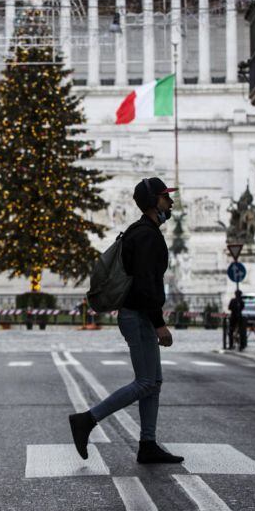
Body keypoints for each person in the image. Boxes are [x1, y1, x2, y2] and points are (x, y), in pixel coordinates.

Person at [69, 177, 184, 465]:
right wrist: (159, 323)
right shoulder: (146, 235)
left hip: (137, 314)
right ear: (153, 202)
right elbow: (146, 284)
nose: (170, 202)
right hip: (138, 315)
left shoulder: (141, 231)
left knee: (154, 382)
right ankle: (87, 420)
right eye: (165, 197)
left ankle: (148, 444)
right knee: (146, 381)